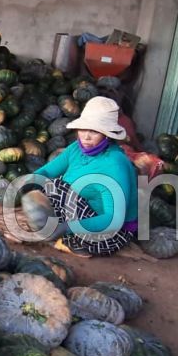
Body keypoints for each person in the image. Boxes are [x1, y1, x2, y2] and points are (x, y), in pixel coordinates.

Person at [21, 96, 139, 257]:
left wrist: (66, 227)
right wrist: (29, 184)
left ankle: (77, 241)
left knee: (57, 188)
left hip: (111, 232)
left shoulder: (115, 164)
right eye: (83, 129)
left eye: (94, 131)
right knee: (46, 185)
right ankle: (65, 234)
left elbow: (113, 220)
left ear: (107, 135)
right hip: (83, 211)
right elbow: (47, 172)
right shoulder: (77, 148)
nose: (86, 136)